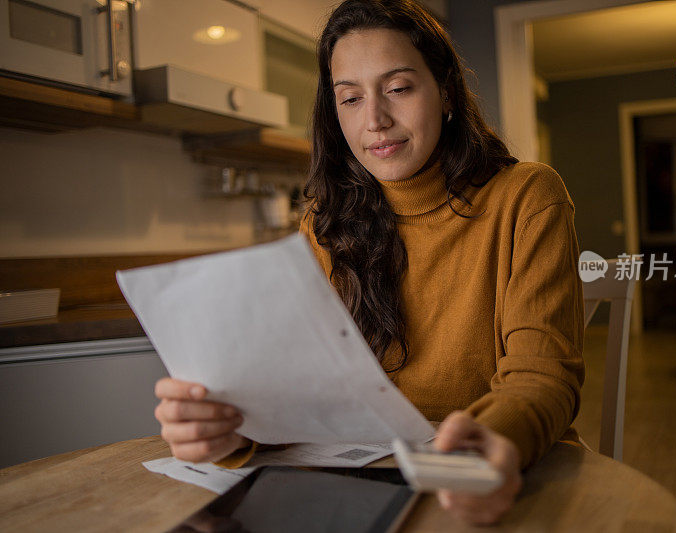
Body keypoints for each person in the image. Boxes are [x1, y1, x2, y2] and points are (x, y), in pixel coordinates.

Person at [154, 0, 585, 525]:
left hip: (489, 480)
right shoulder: (325, 221)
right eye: (351, 98)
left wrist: (492, 440)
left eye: (399, 89)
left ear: (446, 91)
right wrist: (235, 426)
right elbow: (301, 387)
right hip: (360, 484)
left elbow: (542, 374)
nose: (376, 121)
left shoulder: (526, 195)